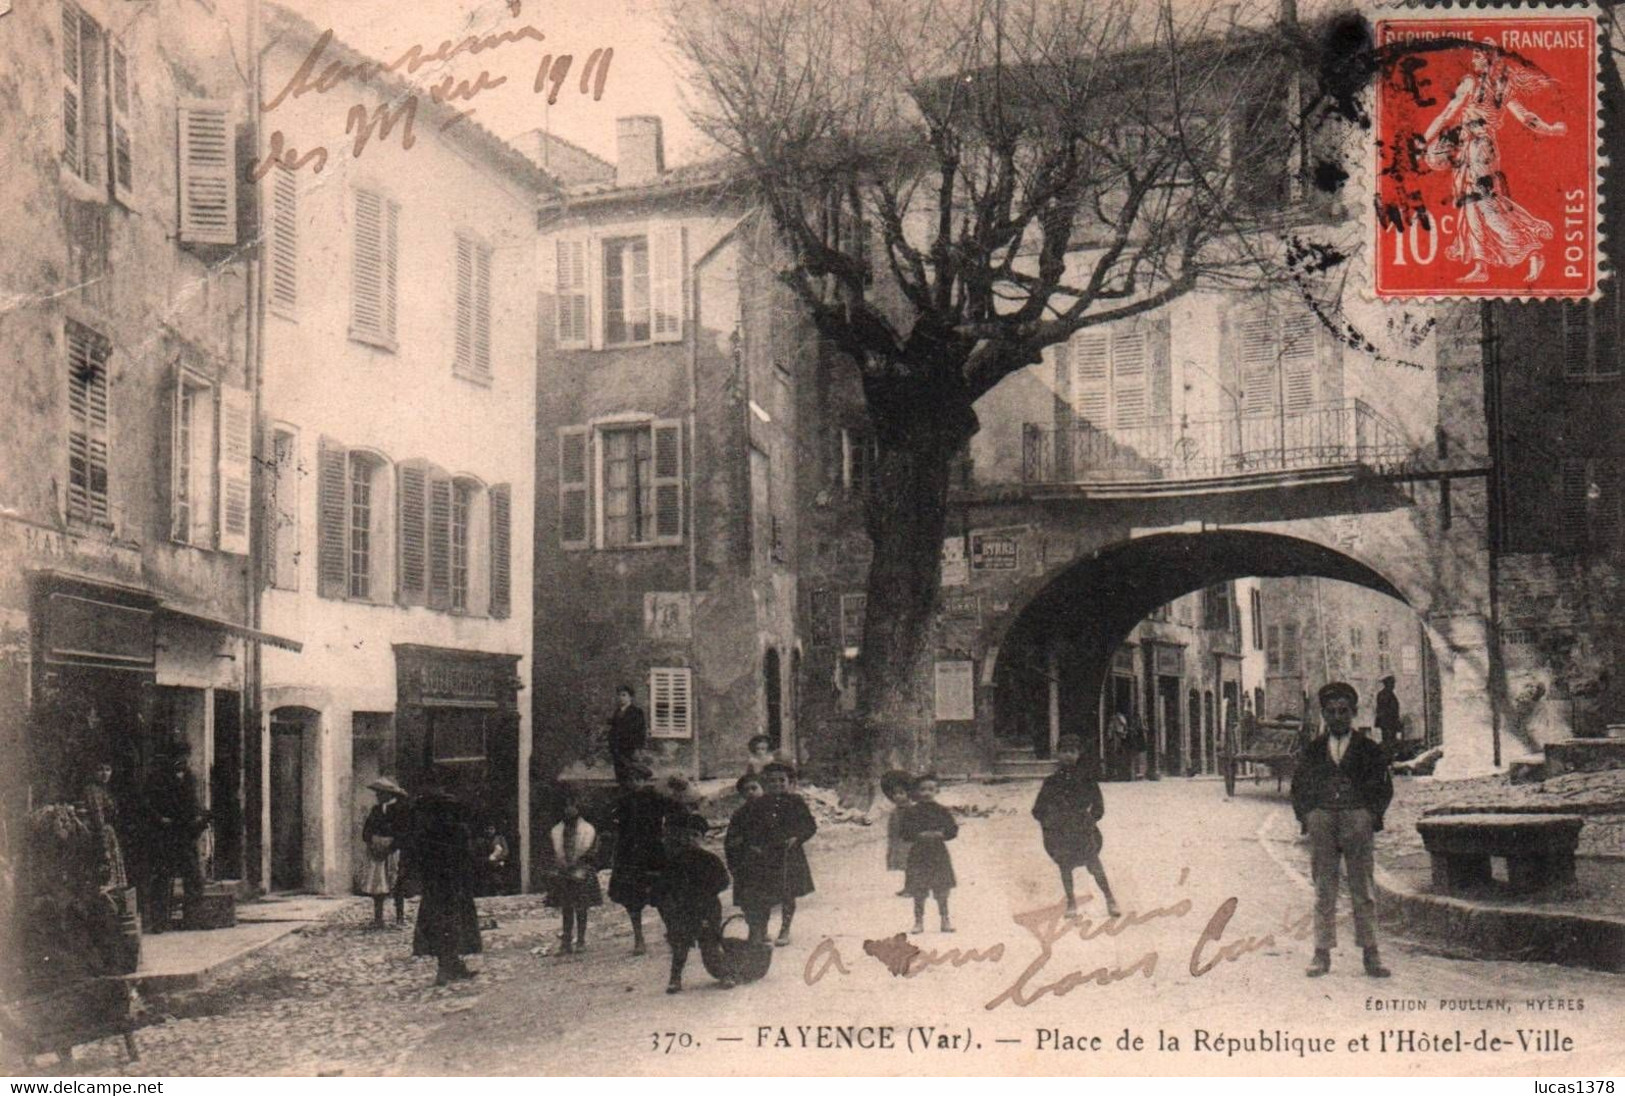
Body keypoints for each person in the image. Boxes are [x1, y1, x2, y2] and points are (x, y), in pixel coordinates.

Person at [1421, 47, 1566, 284]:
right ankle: (1481, 266)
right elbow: (1527, 118)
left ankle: (1531, 250)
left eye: (1478, 56)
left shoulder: (1471, 84)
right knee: (1470, 208)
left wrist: (1423, 141)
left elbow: (1447, 113)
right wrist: (1550, 129)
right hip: (1475, 149)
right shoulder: (1503, 88)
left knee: (1486, 205)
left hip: (1478, 149)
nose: (1473, 59)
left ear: (1489, 61)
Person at [1290, 681, 1395, 979]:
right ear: (1324, 714)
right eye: (1332, 711)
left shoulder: (1369, 750)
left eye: (1344, 711)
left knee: (1363, 887)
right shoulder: (1312, 751)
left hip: (1356, 822)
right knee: (1324, 888)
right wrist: (1308, 816)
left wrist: (1370, 816)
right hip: (1323, 821)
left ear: (1353, 713)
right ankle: (1321, 954)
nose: (1338, 717)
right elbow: (1299, 788)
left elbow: (1384, 788)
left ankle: (1371, 954)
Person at [725, 761, 816, 947]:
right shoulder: (759, 804)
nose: (777, 785)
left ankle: (785, 928)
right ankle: (762, 929)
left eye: (782, 780)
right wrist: (756, 845)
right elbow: (752, 828)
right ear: (766, 784)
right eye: (772, 781)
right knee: (765, 893)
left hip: (790, 854)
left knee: (788, 892)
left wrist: (797, 838)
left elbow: (810, 826)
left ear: (790, 782)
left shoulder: (796, 802)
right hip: (767, 856)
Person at [1032, 734, 1120, 919]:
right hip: (1061, 831)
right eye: (1064, 751)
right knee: (1065, 867)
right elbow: (1037, 810)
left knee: (1094, 865)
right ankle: (1071, 902)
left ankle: (1110, 899)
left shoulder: (1087, 778)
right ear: (1057, 754)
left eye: (1072, 752)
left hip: (1082, 830)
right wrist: (1049, 824)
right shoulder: (1051, 781)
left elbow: (1098, 806)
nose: (1068, 756)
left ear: (1079, 754)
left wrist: (1090, 820)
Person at [409, 766, 482, 985]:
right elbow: (467, 856)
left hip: (434, 884)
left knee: (439, 922)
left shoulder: (425, 831)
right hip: (453, 883)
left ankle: (449, 964)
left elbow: (418, 856)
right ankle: (447, 967)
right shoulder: (457, 830)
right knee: (453, 922)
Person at [651, 813, 736, 994]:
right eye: (686, 835)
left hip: (707, 907)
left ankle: (724, 973)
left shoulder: (710, 859)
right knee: (680, 944)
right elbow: (664, 885)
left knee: (710, 943)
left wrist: (707, 891)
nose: (690, 839)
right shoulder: (674, 861)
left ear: (703, 838)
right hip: (683, 908)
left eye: (695, 835)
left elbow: (723, 881)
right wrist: (669, 902)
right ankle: (675, 978)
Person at [608, 763, 679, 956]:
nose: (634, 782)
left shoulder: (657, 798)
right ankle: (639, 939)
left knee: (661, 895)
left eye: (638, 779)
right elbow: (612, 826)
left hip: (652, 853)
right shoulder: (622, 801)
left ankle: (673, 934)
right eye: (630, 779)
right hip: (629, 854)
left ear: (645, 780)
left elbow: (678, 812)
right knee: (631, 898)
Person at [142, 744, 208, 933]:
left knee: (193, 876)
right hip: (165, 833)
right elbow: (145, 804)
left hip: (186, 834)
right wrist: (159, 818)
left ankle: (193, 919)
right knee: (163, 877)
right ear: (171, 759)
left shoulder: (191, 778)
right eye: (179, 757)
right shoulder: (157, 778)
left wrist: (198, 817)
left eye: (186, 757)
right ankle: (159, 921)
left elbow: (195, 803)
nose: (183, 761)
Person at [898, 774, 958, 934]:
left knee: (942, 888)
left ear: (937, 791)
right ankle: (918, 921)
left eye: (931, 789)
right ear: (917, 792)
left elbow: (953, 830)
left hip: (938, 853)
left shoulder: (942, 810)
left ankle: (945, 919)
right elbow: (904, 832)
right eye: (922, 789)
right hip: (919, 853)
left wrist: (942, 834)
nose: (926, 793)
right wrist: (918, 835)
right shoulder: (911, 812)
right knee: (919, 888)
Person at [544, 787, 601, 954]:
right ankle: (567, 940)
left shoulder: (588, 829)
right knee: (566, 906)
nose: (568, 809)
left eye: (572, 806)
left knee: (581, 906)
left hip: (581, 869)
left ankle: (581, 939)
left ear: (578, 808)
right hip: (563, 869)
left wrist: (581, 863)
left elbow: (592, 851)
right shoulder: (557, 830)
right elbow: (552, 851)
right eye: (566, 806)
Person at [360, 777, 409, 928]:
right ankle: (378, 918)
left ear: (388, 794)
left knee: (397, 883)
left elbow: (405, 831)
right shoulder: (375, 810)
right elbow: (367, 830)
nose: (378, 796)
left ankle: (400, 917)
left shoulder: (401, 809)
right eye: (377, 794)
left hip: (394, 852)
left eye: (380, 793)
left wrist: (391, 845)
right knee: (378, 885)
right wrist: (372, 841)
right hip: (377, 853)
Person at [80, 757, 128, 891]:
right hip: (99, 836)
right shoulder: (92, 790)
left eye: (108, 770)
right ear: (93, 772)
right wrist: (104, 848)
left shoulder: (105, 789)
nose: (104, 773)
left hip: (108, 834)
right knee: (103, 878)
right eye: (100, 769)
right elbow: (98, 818)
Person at [879, 770, 914, 897]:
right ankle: (907, 887)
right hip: (899, 841)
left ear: (908, 794)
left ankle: (912, 888)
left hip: (909, 841)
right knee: (905, 866)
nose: (897, 796)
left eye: (901, 793)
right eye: (895, 794)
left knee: (910, 865)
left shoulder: (910, 809)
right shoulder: (896, 810)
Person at [607, 684, 648, 785]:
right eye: (619, 695)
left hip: (630, 747)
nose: (621, 698)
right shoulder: (617, 712)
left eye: (624, 695)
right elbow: (614, 729)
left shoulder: (636, 712)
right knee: (620, 775)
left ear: (630, 697)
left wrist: (638, 747)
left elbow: (641, 731)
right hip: (617, 748)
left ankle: (644, 775)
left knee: (631, 774)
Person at [1375, 676, 1402, 749]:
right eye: (1392, 683)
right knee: (1388, 742)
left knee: (1391, 741)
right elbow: (1384, 709)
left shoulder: (1389, 694)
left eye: (1393, 684)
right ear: (1387, 684)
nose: (1393, 686)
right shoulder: (1384, 694)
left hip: (1390, 723)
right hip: (1388, 723)